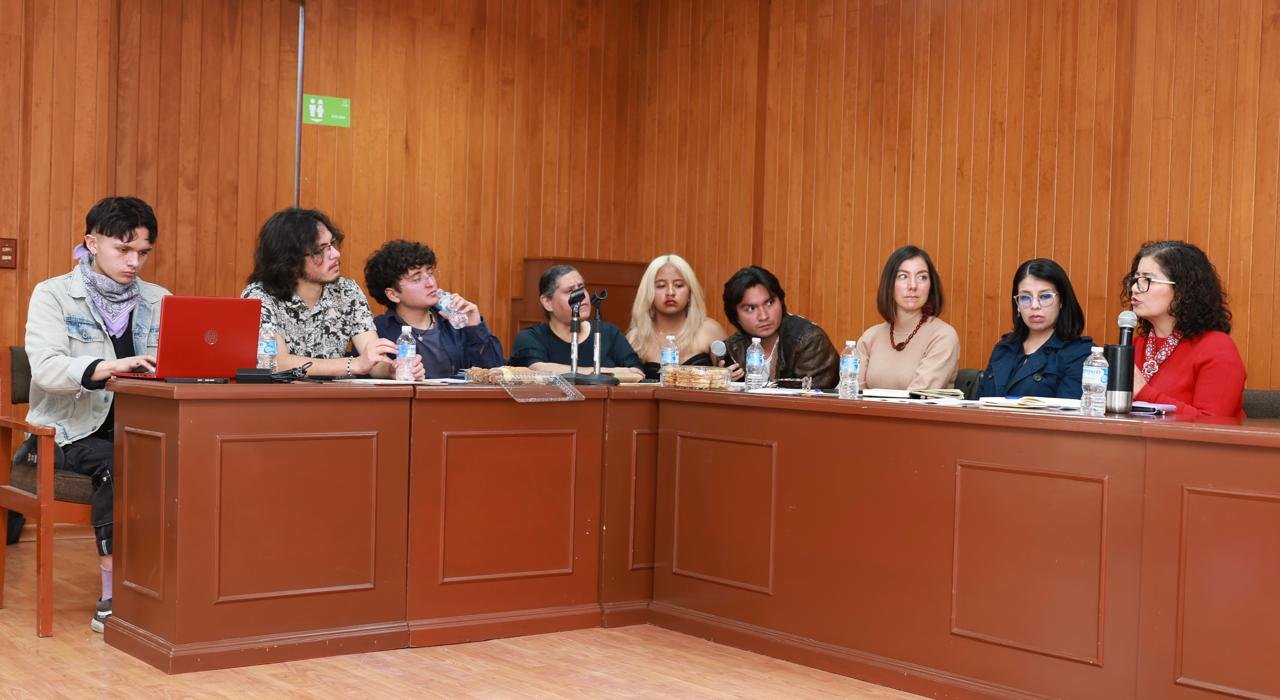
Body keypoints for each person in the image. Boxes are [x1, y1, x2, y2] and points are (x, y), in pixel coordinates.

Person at [23, 196, 169, 632]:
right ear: (92, 243)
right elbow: (47, 369)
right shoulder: (53, 295)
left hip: (139, 427)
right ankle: (113, 595)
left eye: (143, 252)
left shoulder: (159, 300)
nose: (134, 262)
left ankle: (174, 586)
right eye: (123, 250)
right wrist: (110, 367)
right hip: (66, 431)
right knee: (120, 464)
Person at [241, 208, 420, 380]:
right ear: (290, 262)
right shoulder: (260, 296)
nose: (336, 254)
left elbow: (372, 362)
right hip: (282, 398)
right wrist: (353, 364)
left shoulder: (347, 291)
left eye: (332, 244)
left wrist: (393, 369)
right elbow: (277, 362)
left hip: (335, 397)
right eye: (321, 250)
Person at [1123, 240, 1245, 418]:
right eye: (1135, 279)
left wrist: (1143, 392)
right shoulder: (1136, 344)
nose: (1135, 288)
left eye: (1147, 280)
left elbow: (1213, 423)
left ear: (1182, 290)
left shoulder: (1217, 348)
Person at [363, 240, 504, 377]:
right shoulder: (377, 331)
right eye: (417, 279)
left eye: (430, 274)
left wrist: (475, 327)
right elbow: (365, 378)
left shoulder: (453, 322)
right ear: (393, 294)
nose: (431, 283)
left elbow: (496, 373)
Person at [975, 259, 1093, 399]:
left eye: (1045, 296)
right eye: (1025, 298)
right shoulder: (1004, 348)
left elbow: (1067, 410)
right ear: (1017, 304)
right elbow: (978, 404)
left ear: (1061, 301)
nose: (1034, 305)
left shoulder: (1081, 353)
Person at [508, 264, 645, 380]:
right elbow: (538, 370)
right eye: (570, 291)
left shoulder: (608, 333)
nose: (582, 296)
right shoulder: (531, 337)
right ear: (547, 302)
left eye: (581, 287)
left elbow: (637, 373)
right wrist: (609, 372)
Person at [855, 245, 959, 390]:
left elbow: (919, 396)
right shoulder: (870, 337)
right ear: (889, 285)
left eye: (922, 277)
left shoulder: (943, 336)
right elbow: (850, 394)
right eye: (903, 276)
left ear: (930, 286)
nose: (913, 286)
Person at [720, 266, 839, 390]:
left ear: (781, 301)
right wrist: (724, 386)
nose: (764, 316)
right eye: (751, 308)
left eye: (770, 302)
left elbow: (811, 398)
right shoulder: (733, 347)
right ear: (735, 316)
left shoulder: (809, 340)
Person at [626, 254, 727, 380]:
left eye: (679, 285)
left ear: (690, 292)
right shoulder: (636, 339)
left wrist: (728, 375)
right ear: (648, 293)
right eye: (661, 286)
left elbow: (730, 376)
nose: (670, 292)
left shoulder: (710, 330)